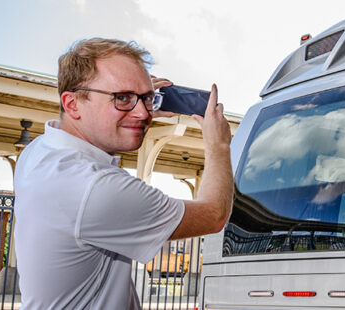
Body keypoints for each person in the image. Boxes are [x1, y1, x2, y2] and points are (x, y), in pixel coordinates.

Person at [13, 38, 233, 309]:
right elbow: (214, 215)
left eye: (148, 98)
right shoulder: (95, 188)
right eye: (122, 98)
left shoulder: (39, 152)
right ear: (72, 104)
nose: (144, 113)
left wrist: (129, 109)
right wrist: (219, 145)